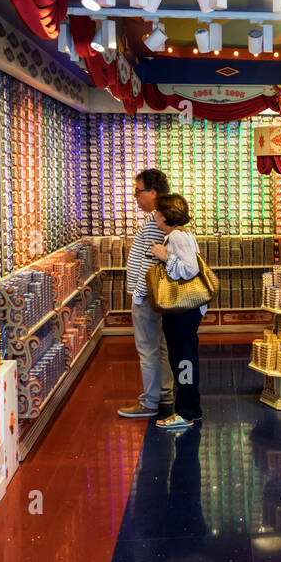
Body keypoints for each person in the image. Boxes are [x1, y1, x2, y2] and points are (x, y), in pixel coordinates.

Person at [117, 169, 175, 419]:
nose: (135, 196)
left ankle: (150, 401)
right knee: (160, 346)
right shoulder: (162, 217)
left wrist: (139, 295)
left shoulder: (155, 222)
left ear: (153, 192)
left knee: (147, 348)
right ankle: (165, 393)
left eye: (139, 191)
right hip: (157, 296)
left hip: (148, 297)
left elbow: (150, 265)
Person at [149, 193, 205, 432]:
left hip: (182, 308)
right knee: (185, 356)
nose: (154, 215)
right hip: (189, 308)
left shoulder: (177, 237)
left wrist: (165, 256)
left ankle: (185, 413)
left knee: (182, 359)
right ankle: (191, 407)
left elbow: (190, 269)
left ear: (165, 215)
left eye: (157, 211)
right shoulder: (184, 234)